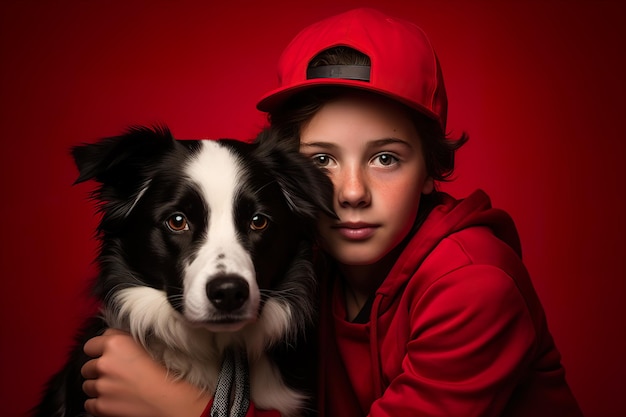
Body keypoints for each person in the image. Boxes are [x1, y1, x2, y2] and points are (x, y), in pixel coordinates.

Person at [79, 7, 584, 417]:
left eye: (385, 158)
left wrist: (193, 410)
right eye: (322, 161)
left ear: (432, 169)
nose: (351, 192)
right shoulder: (304, 265)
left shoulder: (474, 288)